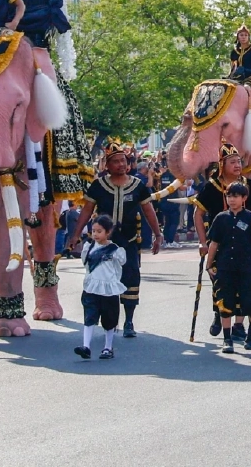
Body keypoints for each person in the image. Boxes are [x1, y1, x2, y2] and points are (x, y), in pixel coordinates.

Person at [71, 139, 163, 339]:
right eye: (116, 161)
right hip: (103, 244)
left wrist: (157, 234)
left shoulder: (138, 186)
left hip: (129, 240)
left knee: (130, 276)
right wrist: (75, 234)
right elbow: (87, 211)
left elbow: (148, 211)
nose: (121, 164)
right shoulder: (98, 186)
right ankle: (99, 320)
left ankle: (129, 321)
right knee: (100, 278)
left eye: (123, 161)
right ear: (107, 165)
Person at [191, 142, 251, 340]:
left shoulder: (247, 186)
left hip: (245, 244)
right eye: (232, 162)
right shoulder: (211, 186)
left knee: (243, 285)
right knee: (220, 282)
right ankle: (220, 313)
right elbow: (198, 214)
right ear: (222, 164)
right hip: (219, 242)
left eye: (239, 161)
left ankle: (239, 326)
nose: (237, 165)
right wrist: (202, 241)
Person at [206, 182, 251, 353]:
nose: (231, 199)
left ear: (244, 198)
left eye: (235, 196)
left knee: (248, 301)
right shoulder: (221, 218)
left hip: (247, 267)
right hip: (225, 266)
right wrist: (209, 263)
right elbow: (214, 243)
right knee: (225, 302)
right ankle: (227, 339)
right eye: (229, 196)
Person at [75, 215, 128, 360]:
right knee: (89, 316)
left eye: (99, 231)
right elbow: (86, 264)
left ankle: (108, 348)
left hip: (109, 289)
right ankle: (86, 347)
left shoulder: (115, 250)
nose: (95, 234)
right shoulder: (89, 247)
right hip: (92, 288)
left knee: (109, 319)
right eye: (94, 231)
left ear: (108, 232)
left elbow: (121, 263)